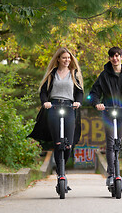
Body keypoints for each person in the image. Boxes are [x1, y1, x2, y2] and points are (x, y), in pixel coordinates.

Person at [28, 47, 84, 180]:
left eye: (69, 58)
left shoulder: (74, 73)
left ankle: (61, 169)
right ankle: (61, 175)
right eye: (64, 57)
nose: (67, 60)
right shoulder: (52, 74)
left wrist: (78, 102)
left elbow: (79, 92)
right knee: (59, 143)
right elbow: (43, 91)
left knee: (68, 144)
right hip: (54, 107)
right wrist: (45, 102)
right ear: (58, 59)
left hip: (70, 107)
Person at [89, 46, 122, 186]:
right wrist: (97, 103)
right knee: (111, 144)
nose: (115, 58)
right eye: (112, 56)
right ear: (109, 58)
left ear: (121, 57)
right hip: (108, 113)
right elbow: (94, 93)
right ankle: (112, 175)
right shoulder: (104, 75)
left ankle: (116, 173)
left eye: (117, 55)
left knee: (118, 143)